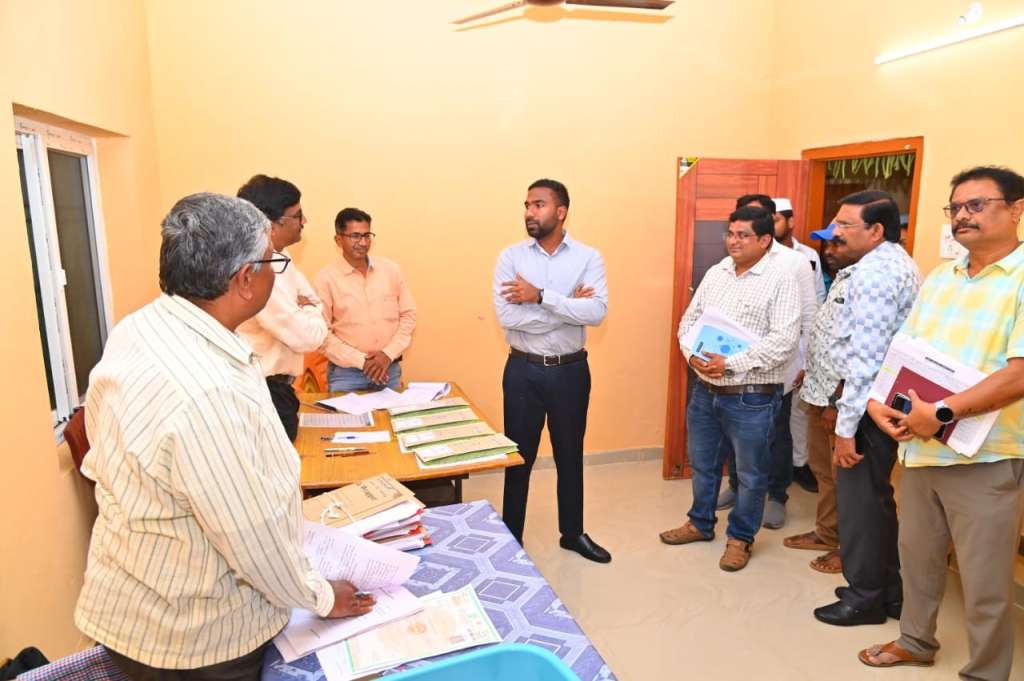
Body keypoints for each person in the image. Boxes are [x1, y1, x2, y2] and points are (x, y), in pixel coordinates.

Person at [74, 193, 374, 680]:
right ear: (244, 280)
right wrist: (321, 596)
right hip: (194, 637)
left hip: (138, 600)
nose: (277, 274)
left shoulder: (142, 327)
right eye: (273, 262)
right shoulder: (206, 391)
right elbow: (249, 535)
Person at [859, 166, 1024, 679]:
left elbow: (1019, 373)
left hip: (987, 454)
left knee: (984, 578)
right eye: (956, 208)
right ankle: (916, 640)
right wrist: (877, 402)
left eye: (977, 205)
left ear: (1017, 210)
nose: (962, 216)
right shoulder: (941, 277)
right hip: (921, 445)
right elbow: (904, 350)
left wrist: (943, 413)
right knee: (919, 556)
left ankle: (987, 671)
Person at [660, 205, 800, 572]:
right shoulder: (717, 272)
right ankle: (700, 523)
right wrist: (692, 356)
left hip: (752, 396)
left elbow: (783, 342)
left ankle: (740, 538)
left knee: (751, 475)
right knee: (703, 465)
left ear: (765, 240)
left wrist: (730, 364)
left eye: (743, 235)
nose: (733, 242)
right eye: (731, 234)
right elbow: (688, 322)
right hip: (705, 391)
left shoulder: (782, 279)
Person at [812, 190, 920, 627]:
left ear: (876, 230)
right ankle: (888, 591)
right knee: (876, 502)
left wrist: (846, 428)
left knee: (860, 507)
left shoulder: (874, 274)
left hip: (868, 408)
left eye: (844, 225)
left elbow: (867, 359)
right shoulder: (895, 262)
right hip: (882, 402)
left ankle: (864, 598)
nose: (835, 233)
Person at [494, 178, 611, 563]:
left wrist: (540, 297)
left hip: (570, 372)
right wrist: (566, 308)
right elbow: (508, 317)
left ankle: (572, 534)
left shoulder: (588, 257)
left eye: (539, 205)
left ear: (561, 212)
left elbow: (596, 312)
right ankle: (512, 539)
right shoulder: (511, 257)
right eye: (527, 205)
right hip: (523, 370)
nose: (530, 212)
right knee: (519, 459)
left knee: (570, 455)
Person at [716, 194, 818, 531]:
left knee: (777, 433)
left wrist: (806, 362)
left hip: (778, 366)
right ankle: (737, 486)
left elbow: (809, 316)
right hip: (734, 366)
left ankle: (776, 495)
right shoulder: (731, 260)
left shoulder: (795, 262)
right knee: (736, 432)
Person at [783, 223, 863, 575]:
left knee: (846, 478)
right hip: (817, 388)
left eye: (837, 244)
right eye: (827, 245)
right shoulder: (842, 278)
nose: (829, 252)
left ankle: (850, 548)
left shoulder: (869, 282)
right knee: (823, 471)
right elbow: (830, 336)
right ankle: (827, 533)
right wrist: (810, 370)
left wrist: (835, 401)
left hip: (838, 399)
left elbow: (862, 350)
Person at [236, 174, 328, 440]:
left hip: (279, 389)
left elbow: (315, 302)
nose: (304, 221)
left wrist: (306, 310)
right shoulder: (258, 268)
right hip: (263, 390)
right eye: (298, 215)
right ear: (273, 224)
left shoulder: (281, 257)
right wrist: (307, 311)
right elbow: (306, 337)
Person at [315, 207, 416, 392]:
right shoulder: (326, 278)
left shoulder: (391, 270)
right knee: (345, 414)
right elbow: (321, 333)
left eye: (367, 235)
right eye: (355, 236)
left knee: (391, 412)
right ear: (338, 239)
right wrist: (362, 361)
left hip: (389, 369)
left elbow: (408, 315)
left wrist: (387, 354)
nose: (363, 242)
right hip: (346, 375)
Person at [774, 197, 825, 495]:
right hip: (774, 346)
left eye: (776, 219)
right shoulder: (762, 256)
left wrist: (810, 355)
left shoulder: (809, 256)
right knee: (775, 415)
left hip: (802, 342)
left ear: (790, 221)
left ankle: (799, 464)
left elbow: (815, 301)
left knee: (799, 410)